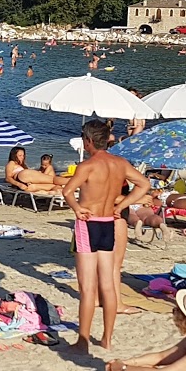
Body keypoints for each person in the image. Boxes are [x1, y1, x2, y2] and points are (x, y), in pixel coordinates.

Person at [62, 119, 152, 353]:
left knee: (88, 287)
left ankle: (82, 341)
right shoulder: (120, 163)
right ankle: (107, 339)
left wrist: (76, 208)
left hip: (88, 223)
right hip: (108, 222)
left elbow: (67, 191)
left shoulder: (88, 166)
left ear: (89, 141)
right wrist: (123, 204)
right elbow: (144, 183)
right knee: (108, 285)